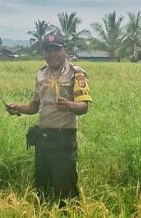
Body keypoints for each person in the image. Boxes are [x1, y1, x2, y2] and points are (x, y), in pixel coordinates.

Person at [6, 33, 92, 207]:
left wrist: (69, 105)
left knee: (65, 188)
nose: (52, 54)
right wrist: (17, 107)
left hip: (63, 139)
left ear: (64, 50)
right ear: (44, 53)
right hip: (42, 138)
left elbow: (84, 106)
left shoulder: (76, 73)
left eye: (56, 49)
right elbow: (34, 107)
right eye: (48, 50)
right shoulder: (41, 74)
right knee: (42, 187)